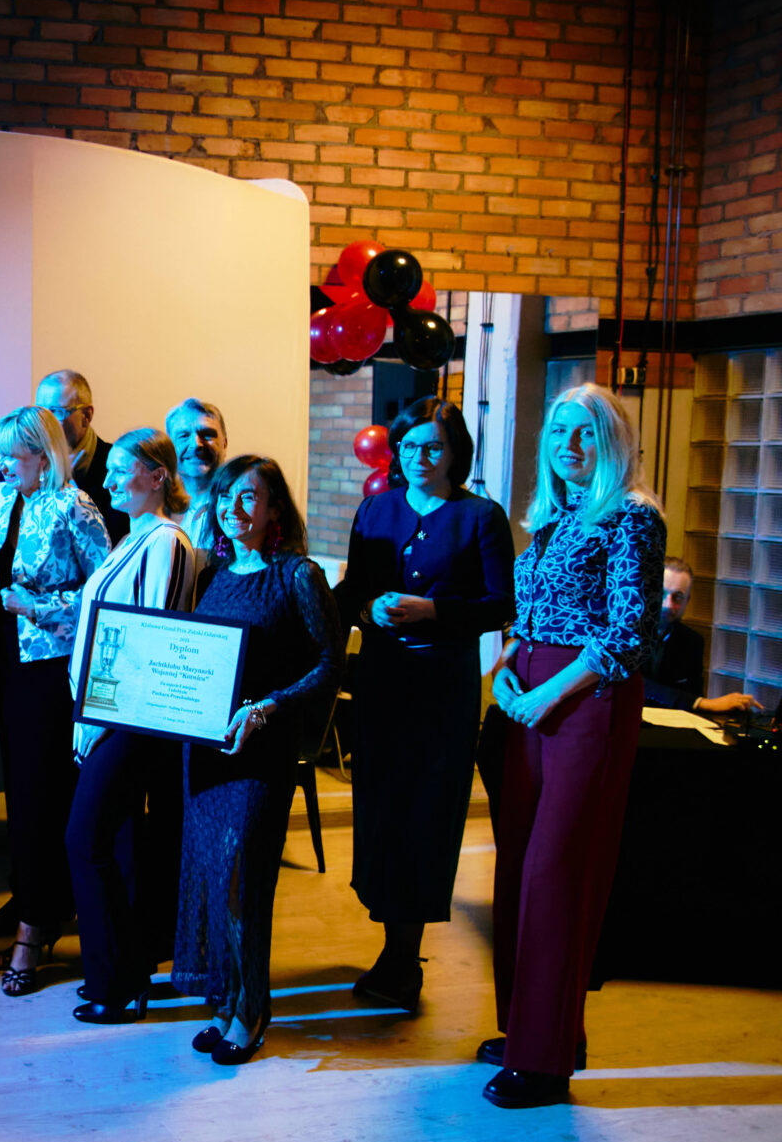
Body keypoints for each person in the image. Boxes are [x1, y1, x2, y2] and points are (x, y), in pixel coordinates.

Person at [483, 383, 665, 1109]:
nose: (569, 446)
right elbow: (531, 614)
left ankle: (544, 1061)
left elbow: (626, 634)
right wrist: (506, 667)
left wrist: (545, 693)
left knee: (558, 873)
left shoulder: (632, 517)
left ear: (613, 442)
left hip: (586, 701)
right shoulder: (555, 516)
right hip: (529, 695)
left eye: (586, 432)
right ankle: (534, 1031)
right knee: (517, 870)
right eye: (559, 432)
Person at [334, 398, 515, 1014]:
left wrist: (433, 610)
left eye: (433, 447)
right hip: (383, 681)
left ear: (455, 452)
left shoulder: (480, 516)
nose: (420, 458)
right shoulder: (376, 509)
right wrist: (369, 608)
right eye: (409, 447)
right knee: (381, 807)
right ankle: (392, 940)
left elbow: (501, 605)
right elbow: (354, 591)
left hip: (442, 690)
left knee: (426, 813)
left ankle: (404, 954)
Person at [177, 454, 343, 1064]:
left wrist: (270, 705)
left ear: (275, 509)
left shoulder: (298, 575)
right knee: (212, 878)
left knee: (243, 881)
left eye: (249, 497)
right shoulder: (213, 575)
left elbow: (329, 664)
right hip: (208, 751)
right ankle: (226, 1000)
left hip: (262, 752)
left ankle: (252, 1010)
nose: (234, 508)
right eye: (225, 497)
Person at [0, 406, 110, 996]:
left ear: (43, 454)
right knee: (22, 794)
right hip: (10, 658)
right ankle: (40, 909)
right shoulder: (4, 499)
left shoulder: (75, 506)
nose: (4, 465)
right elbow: (7, 572)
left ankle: (37, 927)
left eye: (14, 454)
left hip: (54, 667)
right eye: (1, 454)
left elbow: (106, 592)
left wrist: (35, 606)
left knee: (44, 796)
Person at [64, 428, 197, 1024]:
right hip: (105, 713)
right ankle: (119, 975)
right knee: (108, 844)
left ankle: (117, 985)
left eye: (123, 469)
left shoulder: (165, 540)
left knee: (85, 841)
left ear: (158, 476)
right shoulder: (131, 538)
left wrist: (101, 719)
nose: (111, 479)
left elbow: (152, 639)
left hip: (130, 720)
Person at [645, 556, 762, 715]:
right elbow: (638, 686)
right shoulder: (620, 633)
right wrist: (702, 703)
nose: (668, 604)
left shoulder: (691, 642)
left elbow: (693, 698)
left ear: (687, 601)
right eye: (662, 593)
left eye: (678, 597)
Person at [36, 369, 128, 544]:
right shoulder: (22, 462)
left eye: (56, 412)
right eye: (41, 412)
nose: (45, 422)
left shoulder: (117, 466)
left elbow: (119, 535)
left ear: (87, 416)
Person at [165, 397, 228, 555]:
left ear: (225, 444)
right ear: (169, 447)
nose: (196, 444)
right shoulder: (153, 506)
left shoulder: (240, 509)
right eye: (183, 436)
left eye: (207, 434)